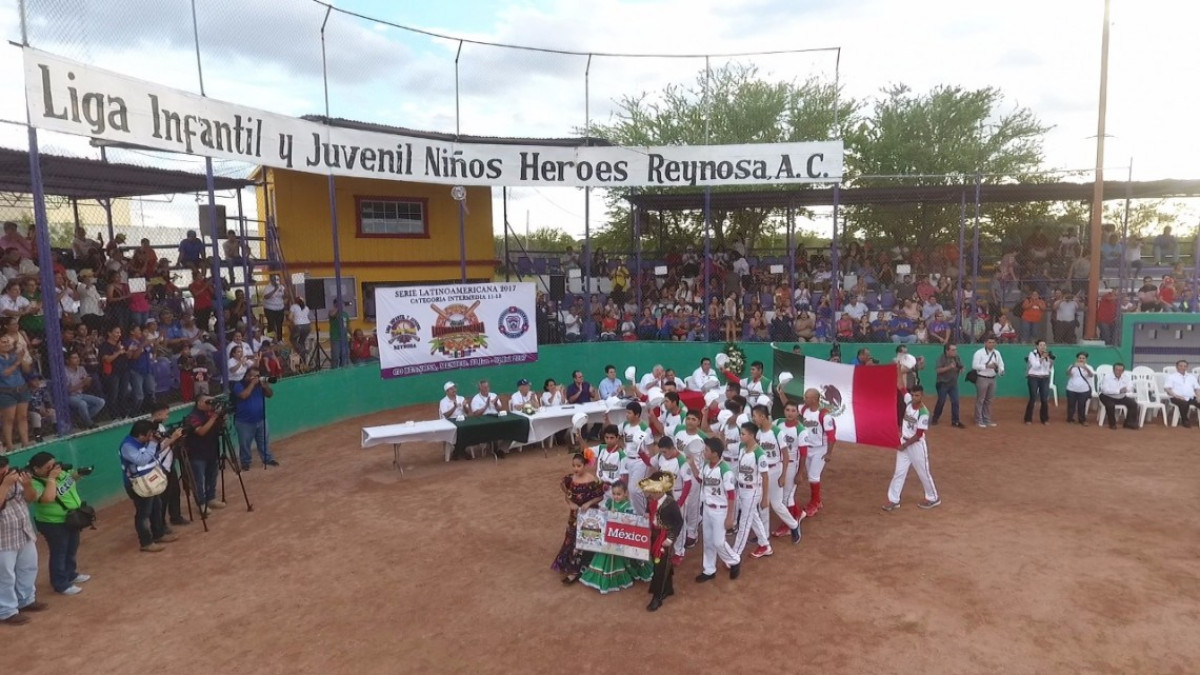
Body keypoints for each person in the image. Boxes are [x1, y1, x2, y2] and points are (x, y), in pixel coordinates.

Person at [26, 452, 89, 596]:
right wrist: (52, 478)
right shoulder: (34, 482)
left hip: (70, 518)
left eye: (54, 464)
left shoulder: (59, 473)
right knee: (59, 552)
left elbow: (69, 481)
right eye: (48, 466)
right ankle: (60, 583)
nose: (53, 468)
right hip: (52, 523)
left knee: (72, 547)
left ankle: (71, 574)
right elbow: (47, 498)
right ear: (36, 469)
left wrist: (78, 474)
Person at [119, 420, 182, 553]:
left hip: (150, 481)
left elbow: (157, 452)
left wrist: (172, 439)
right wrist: (153, 443)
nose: (151, 437)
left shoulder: (145, 442)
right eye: (149, 435)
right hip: (137, 484)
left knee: (156, 507)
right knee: (144, 513)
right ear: (141, 435)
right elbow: (142, 460)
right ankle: (146, 542)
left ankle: (158, 535)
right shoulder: (127, 446)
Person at [579, 480, 651, 594]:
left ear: (625, 493)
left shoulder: (628, 506)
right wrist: (606, 511)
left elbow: (632, 521)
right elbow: (602, 513)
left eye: (619, 494)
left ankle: (613, 579)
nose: (616, 497)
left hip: (620, 537)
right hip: (609, 535)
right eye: (614, 494)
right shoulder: (609, 502)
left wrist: (623, 517)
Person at [0, 456, 44, 625]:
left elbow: (31, 498)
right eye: (3, 471)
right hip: (3, 540)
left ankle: (26, 600)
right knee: (5, 577)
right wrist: (4, 485)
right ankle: (7, 611)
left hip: (23, 532)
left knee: (28, 567)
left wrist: (27, 485)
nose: (7, 472)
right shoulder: (7, 482)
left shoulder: (14, 480)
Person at [882, 386, 940, 511]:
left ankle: (933, 497)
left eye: (917, 395)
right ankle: (893, 499)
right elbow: (902, 387)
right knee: (899, 472)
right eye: (913, 395)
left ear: (922, 396)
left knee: (923, 472)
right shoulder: (908, 402)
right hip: (904, 443)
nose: (914, 398)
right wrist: (898, 367)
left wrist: (904, 445)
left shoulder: (924, 413)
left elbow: (919, 434)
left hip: (916, 446)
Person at [551, 453, 604, 585]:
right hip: (575, 515)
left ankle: (577, 570)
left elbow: (600, 496)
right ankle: (571, 567)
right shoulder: (569, 479)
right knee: (571, 538)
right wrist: (570, 503)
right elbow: (566, 494)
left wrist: (589, 503)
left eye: (579, 466)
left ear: (585, 465)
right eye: (574, 466)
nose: (576, 469)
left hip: (589, 515)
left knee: (586, 540)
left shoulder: (593, 480)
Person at [695, 437, 740, 583]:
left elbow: (732, 495)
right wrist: (692, 466)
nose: (704, 451)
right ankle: (709, 569)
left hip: (721, 510)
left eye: (706, 450)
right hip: (707, 508)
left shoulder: (725, 470)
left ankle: (734, 560)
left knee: (719, 542)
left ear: (715, 453)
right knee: (708, 541)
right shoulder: (706, 466)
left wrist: (730, 517)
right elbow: (701, 480)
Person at [640, 471, 683, 612]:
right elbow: (649, 508)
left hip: (664, 539)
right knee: (662, 564)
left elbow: (678, 522)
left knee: (659, 567)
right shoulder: (652, 499)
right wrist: (647, 512)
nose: (651, 493)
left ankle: (657, 597)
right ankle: (668, 588)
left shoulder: (671, 504)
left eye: (654, 490)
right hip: (654, 535)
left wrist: (670, 538)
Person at [648, 436, 693, 563]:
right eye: (661, 451)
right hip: (664, 495)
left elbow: (688, 484)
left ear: (673, 448)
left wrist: (680, 502)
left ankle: (679, 552)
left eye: (665, 451)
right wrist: (640, 452)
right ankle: (666, 545)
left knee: (678, 524)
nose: (663, 454)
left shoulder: (682, 461)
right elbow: (649, 463)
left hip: (678, 494)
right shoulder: (661, 457)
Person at [731, 422, 771, 559]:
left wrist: (765, 498)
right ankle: (765, 545)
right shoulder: (742, 448)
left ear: (752, 435)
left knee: (744, 522)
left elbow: (765, 477)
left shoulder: (760, 454)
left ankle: (735, 554)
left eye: (743, 434)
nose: (741, 436)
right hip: (742, 489)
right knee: (752, 517)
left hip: (753, 491)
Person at [183, 396, 226, 515]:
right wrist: (214, 417)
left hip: (212, 450)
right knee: (199, 481)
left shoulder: (210, 414)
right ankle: (201, 504)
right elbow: (201, 431)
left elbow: (219, 428)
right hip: (197, 454)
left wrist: (221, 419)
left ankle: (211, 499)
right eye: (208, 402)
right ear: (199, 403)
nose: (210, 404)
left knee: (212, 476)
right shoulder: (192, 417)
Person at [798, 388, 837, 518]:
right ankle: (817, 500)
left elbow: (832, 436)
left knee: (814, 476)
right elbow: (789, 406)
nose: (804, 399)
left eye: (807, 397)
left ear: (814, 399)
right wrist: (781, 394)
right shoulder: (804, 410)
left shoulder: (825, 416)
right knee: (811, 476)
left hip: (820, 449)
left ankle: (814, 503)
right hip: (808, 448)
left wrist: (829, 453)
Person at [232, 365, 278, 470]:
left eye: (258, 375)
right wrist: (252, 384)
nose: (257, 378)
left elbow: (270, 395)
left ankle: (267, 459)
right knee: (245, 444)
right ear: (247, 376)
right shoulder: (239, 385)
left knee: (264, 441)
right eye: (254, 376)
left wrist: (265, 386)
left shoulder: (259, 386)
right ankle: (245, 462)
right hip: (244, 422)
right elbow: (244, 395)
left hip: (261, 419)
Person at [0, 334, 31, 452]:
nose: (7, 344)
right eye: (3, 342)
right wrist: (17, 362)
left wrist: (22, 358)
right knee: (9, 419)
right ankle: (10, 445)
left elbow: (27, 370)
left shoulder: (14, 356)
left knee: (22, 417)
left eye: (9, 342)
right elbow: (4, 373)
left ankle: (25, 442)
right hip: (6, 391)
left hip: (21, 388)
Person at [971, 338, 1005, 428]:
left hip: (993, 378)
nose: (991, 344)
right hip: (982, 378)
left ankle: (987, 419)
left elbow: (1001, 364)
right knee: (981, 399)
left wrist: (1001, 370)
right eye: (989, 342)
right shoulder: (979, 353)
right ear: (985, 343)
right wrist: (986, 366)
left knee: (989, 400)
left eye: (993, 342)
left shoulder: (997, 353)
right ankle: (978, 420)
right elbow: (974, 366)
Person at [1098, 363, 1140, 430]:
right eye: (1116, 369)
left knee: (1133, 404)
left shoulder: (1126, 377)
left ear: (1123, 371)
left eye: (1120, 370)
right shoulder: (1107, 377)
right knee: (1110, 405)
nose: (1118, 371)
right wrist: (1118, 391)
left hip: (1121, 396)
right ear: (1113, 370)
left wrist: (1127, 389)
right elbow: (1104, 390)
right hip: (1107, 396)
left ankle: (1129, 423)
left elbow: (1131, 386)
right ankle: (1112, 424)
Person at [931, 343, 965, 428]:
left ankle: (955, 421)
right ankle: (935, 418)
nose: (955, 351)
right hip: (942, 384)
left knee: (955, 401)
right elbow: (938, 370)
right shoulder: (941, 358)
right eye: (953, 350)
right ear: (947, 351)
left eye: (955, 349)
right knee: (941, 401)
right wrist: (949, 367)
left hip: (953, 383)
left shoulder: (956, 357)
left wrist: (962, 369)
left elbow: (961, 366)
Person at [1024, 340, 1054, 426]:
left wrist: (1048, 359)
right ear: (1037, 346)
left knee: (1044, 399)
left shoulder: (1048, 355)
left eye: (1044, 345)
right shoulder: (1032, 354)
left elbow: (1048, 368)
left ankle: (1044, 419)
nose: (1043, 347)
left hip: (1044, 378)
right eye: (1040, 345)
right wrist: (1041, 358)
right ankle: (1028, 418)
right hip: (1033, 377)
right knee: (1033, 398)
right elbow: (1035, 366)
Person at [1163, 360, 1200, 428]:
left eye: (1185, 366)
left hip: (1191, 397)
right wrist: (1176, 396)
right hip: (1175, 397)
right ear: (1177, 367)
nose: (1183, 367)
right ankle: (1185, 420)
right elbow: (1167, 389)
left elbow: (1197, 388)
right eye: (1181, 366)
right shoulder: (1171, 376)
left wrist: (1198, 396)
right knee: (1184, 403)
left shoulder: (1191, 377)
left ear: (1187, 367)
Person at [592, 425, 627, 490]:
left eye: (611, 438)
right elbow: (585, 451)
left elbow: (624, 477)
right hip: (600, 486)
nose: (609, 440)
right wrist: (580, 438)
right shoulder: (601, 448)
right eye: (607, 437)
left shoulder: (622, 455)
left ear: (617, 437)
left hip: (614, 489)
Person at [1065, 352, 1095, 425]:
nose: (1081, 360)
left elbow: (1091, 375)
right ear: (1077, 359)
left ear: (1086, 359)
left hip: (1083, 390)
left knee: (1082, 405)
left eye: (1083, 358)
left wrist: (1085, 368)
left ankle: (1082, 420)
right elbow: (1068, 374)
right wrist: (1072, 367)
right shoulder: (1072, 366)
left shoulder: (1089, 367)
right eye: (1080, 358)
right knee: (1071, 405)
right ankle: (1070, 419)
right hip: (1071, 389)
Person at [261, 275, 287, 340]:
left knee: (279, 325)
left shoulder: (281, 287)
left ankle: (279, 339)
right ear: (271, 280)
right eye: (274, 279)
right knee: (271, 324)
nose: (276, 281)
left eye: (277, 279)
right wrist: (275, 289)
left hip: (280, 309)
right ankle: (270, 339)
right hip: (270, 309)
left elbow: (284, 296)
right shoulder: (267, 287)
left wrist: (285, 290)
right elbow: (266, 297)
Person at [288, 297, 312, 365]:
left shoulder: (294, 306)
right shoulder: (306, 307)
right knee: (302, 341)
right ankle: (303, 361)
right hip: (307, 326)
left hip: (298, 326)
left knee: (292, 339)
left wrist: (294, 322)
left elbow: (290, 317)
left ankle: (302, 350)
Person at [328, 300, 350, 368]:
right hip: (336, 338)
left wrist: (352, 335)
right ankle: (334, 371)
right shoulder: (332, 312)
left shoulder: (345, 314)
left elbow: (348, 326)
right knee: (335, 357)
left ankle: (343, 370)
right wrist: (338, 307)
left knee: (344, 356)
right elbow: (332, 314)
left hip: (344, 338)